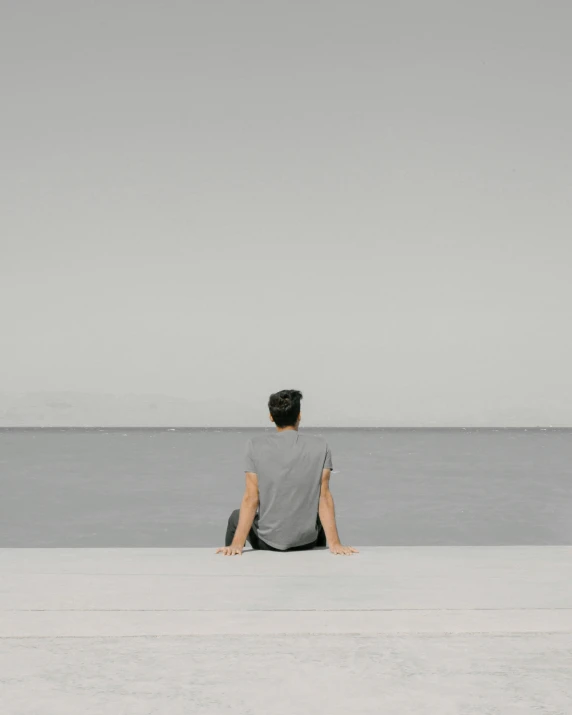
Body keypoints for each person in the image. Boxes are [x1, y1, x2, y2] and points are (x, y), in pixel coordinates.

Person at [216, 389, 358, 556]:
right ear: (299, 415)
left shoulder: (254, 446)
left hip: (267, 543)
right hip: (306, 542)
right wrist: (336, 544)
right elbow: (324, 497)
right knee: (317, 518)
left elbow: (251, 498)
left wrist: (237, 544)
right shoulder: (321, 445)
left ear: (271, 417)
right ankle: (318, 556)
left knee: (235, 516)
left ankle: (232, 553)